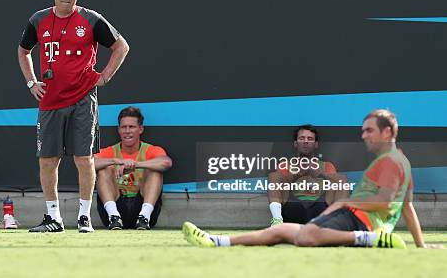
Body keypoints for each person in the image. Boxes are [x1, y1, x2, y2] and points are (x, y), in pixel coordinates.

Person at [183, 110, 443, 249]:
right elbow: (405, 206)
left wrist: (342, 204)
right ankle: (217, 241)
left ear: (387, 132)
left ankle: (367, 239)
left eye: (369, 131)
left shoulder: (390, 160)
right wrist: (420, 244)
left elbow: (385, 202)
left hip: (358, 221)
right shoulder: (400, 160)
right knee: (281, 230)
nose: (363, 135)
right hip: (340, 215)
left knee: (306, 237)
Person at [17, 0, 129, 233]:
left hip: (82, 98)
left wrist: (104, 76)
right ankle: (53, 217)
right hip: (50, 100)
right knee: (48, 159)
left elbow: (121, 46)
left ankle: (84, 216)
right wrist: (32, 82)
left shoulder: (91, 19)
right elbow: (23, 51)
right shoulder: (39, 19)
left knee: (84, 158)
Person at [94, 107, 172, 230]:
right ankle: (114, 217)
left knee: (154, 170)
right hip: (116, 206)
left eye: (132, 127)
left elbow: (166, 162)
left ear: (140, 129)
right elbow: (88, 164)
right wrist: (115, 161)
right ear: (118, 130)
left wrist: (136, 165)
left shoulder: (150, 150)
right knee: (104, 167)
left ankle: (144, 217)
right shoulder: (110, 151)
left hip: (141, 207)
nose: (127, 131)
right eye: (123, 127)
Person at [267, 125, 348, 226]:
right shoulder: (285, 165)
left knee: (341, 178)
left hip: (320, 210)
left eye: (310, 139)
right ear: (296, 143)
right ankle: (277, 220)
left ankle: (338, 221)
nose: (306, 141)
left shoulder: (326, 165)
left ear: (316, 144)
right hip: (293, 208)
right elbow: (278, 185)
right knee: (274, 176)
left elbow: (338, 183)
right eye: (302, 138)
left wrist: (320, 174)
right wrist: (297, 174)